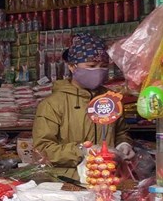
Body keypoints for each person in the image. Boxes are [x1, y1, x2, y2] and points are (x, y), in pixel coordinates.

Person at [33, 32, 133, 179]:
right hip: (70, 181)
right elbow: (42, 149)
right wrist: (82, 151)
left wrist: (123, 144)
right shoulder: (52, 104)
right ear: (72, 66)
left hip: (109, 179)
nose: (98, 71)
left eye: (103, 66)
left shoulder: (111, 100)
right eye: (91, 66)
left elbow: (120, 132)